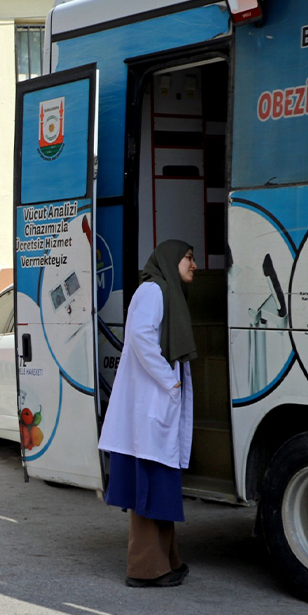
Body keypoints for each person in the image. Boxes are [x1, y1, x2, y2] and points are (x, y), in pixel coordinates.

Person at [98, 240, 198, 588]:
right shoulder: (154, 290)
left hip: (157, 405)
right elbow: (141, 337)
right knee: (150, 487)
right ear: (172, 259)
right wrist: (168, 381)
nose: (194, 264)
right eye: (188, 257)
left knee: (161, 487)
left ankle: (167, 562)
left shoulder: (166, 291)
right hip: (149, 406)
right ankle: (144, 570)